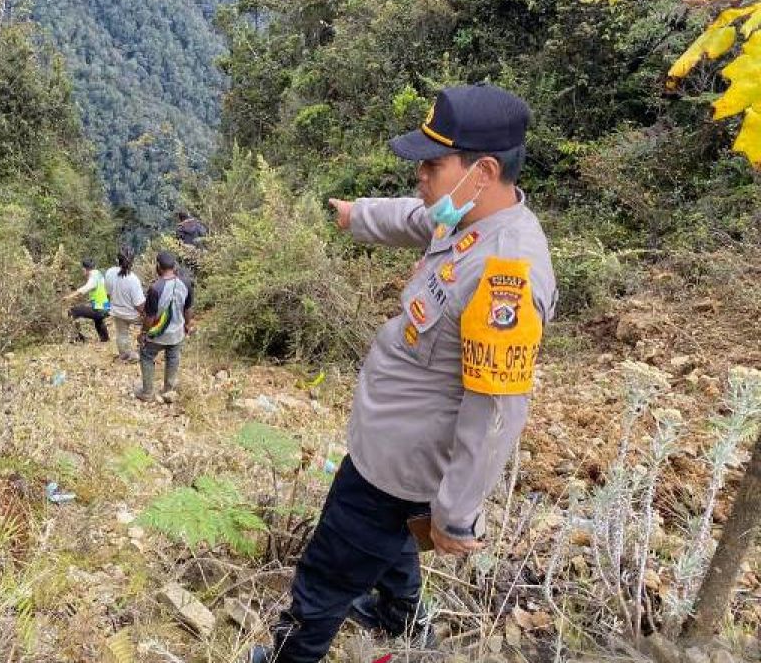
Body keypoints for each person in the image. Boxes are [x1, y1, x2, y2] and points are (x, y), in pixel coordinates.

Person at [250, 84, 557, 662]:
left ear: (482, 170)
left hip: (399, 469)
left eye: (433, 164)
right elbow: (419, 219)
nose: (420, 173)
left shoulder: (506, 272)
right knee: (393, 546)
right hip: (392, 446)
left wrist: (455, 514)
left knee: (328, 571)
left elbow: (495, 409)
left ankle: (293, 654)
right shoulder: (469, 217)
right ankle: (400, 618)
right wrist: (355, 216)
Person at [135, 251, 194, 401]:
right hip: (177, 333)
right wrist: (188, 324)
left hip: (158, 334)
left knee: (146, 355)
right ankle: (169, 389)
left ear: (158, 267)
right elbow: (188, 309)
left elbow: (150, 316)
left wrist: (143, 333)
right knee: (173, 357)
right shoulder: (186, 283)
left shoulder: (155, 288)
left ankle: (147, 392)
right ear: (174, 266)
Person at [104, 246, 146, 362]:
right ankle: (143, 350)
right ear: (132, 261)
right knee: (150, 324)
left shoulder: (109, 273)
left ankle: (125, 355)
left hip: (117, 312)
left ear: (117, 259)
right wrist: (148, 315)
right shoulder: (133, 279)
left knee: (121, 334)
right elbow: (139, 305)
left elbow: (108, 295)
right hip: (133, 315)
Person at [64, 258, 110, 342]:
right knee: (98, 320)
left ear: (85, 269)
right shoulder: (99, 275)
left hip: (99, 309)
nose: (82, 271)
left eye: (83, 269)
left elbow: (84, 289)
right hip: (105, 307)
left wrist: (68, 297)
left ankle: (77, 337)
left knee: (73, 311)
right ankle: (105, 339)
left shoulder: (93, 278)